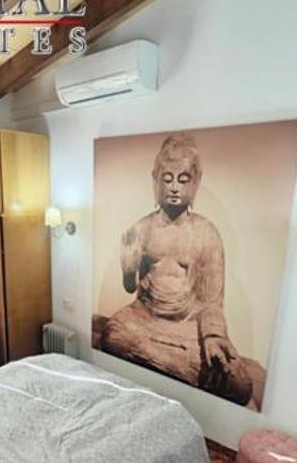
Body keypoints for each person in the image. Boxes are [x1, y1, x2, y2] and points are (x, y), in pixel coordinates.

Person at [101, 132, 265, 410]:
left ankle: (161, 365)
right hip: (144, 317)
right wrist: (128, 267)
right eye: (167, 179)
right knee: (113, 333)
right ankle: (179, 370)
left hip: (188, 325)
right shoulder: (142, 228)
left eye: (183, 179)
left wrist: (213, 338)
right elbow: (131, 288)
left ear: (196, 182)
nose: (174, 188)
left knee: (239, 383)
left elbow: (212, 301)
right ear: (155, 180)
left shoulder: (206, 233)